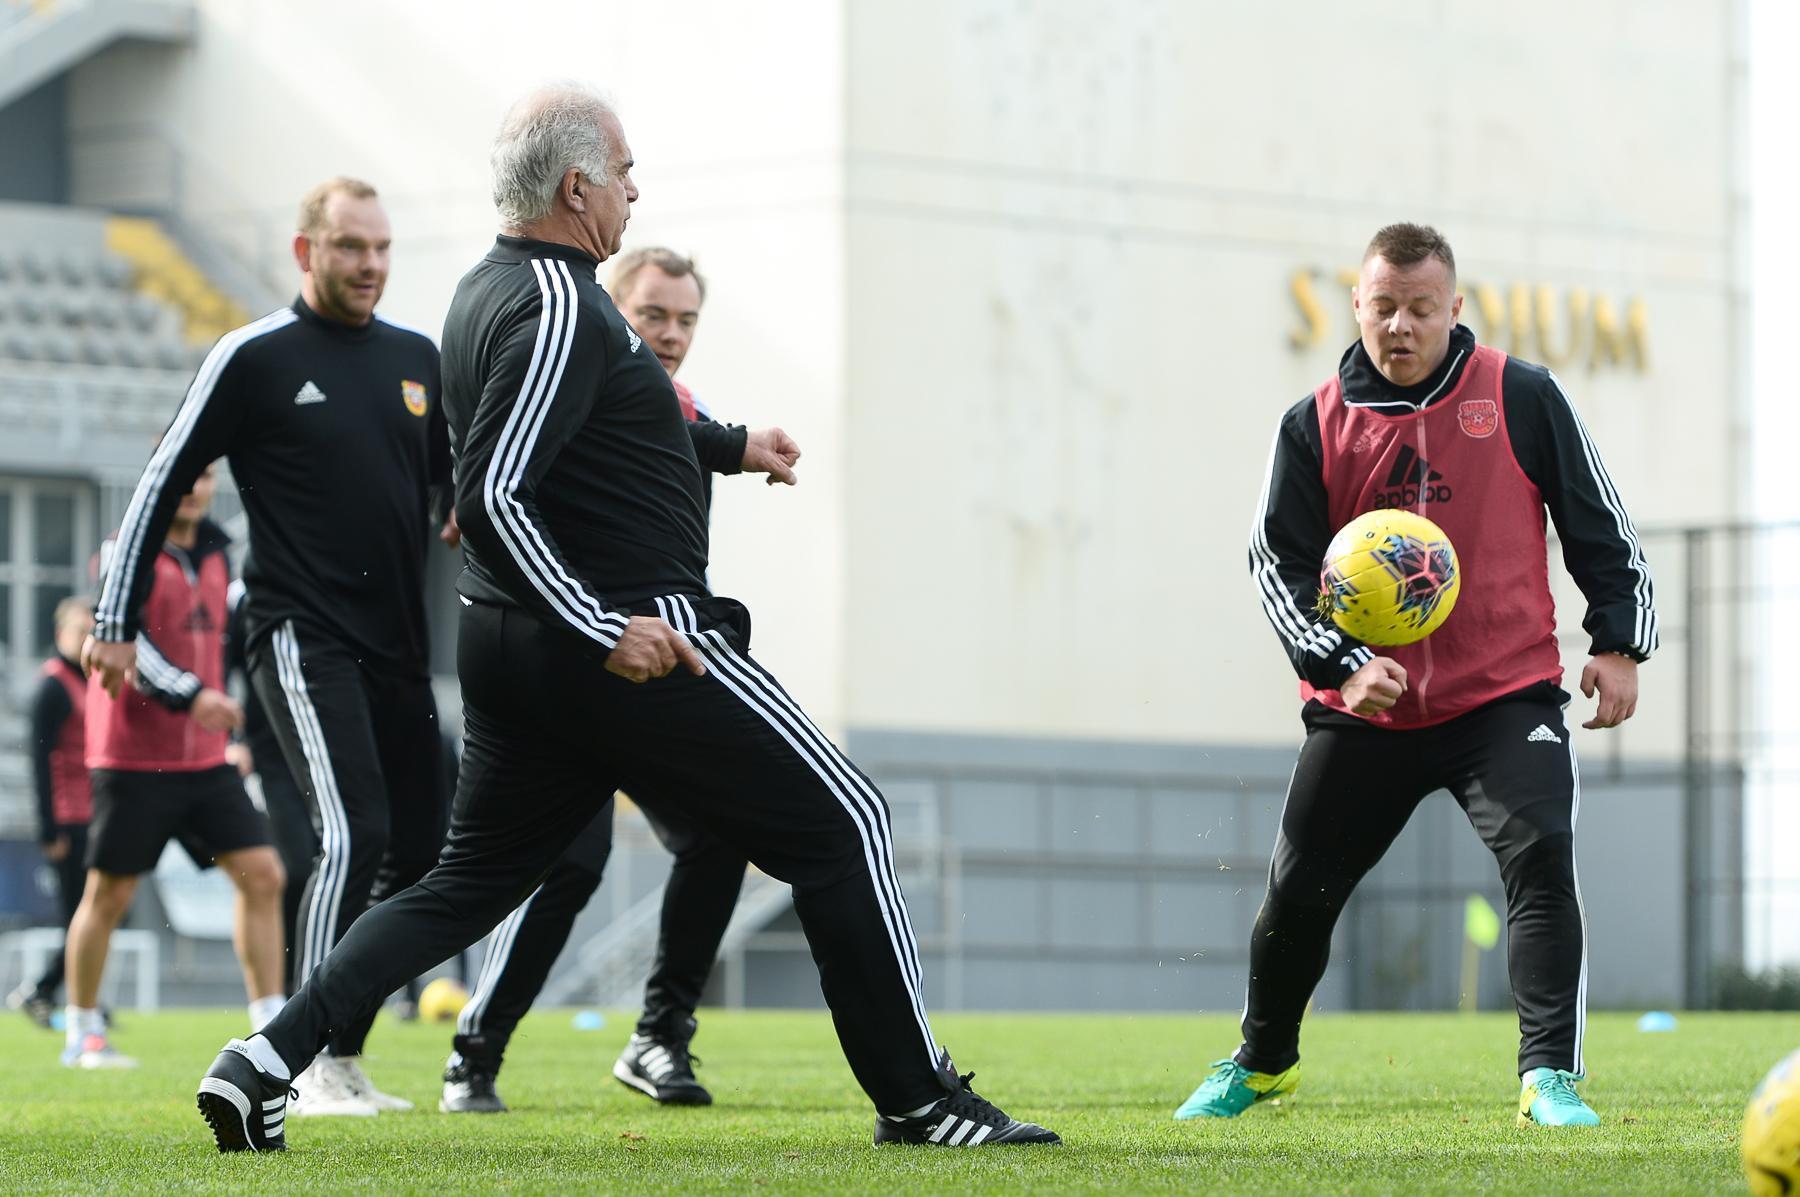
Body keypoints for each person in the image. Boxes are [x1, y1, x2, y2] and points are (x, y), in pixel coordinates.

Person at [195, 82, 1058, 1154]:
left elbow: (597, 433)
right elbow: (494, 495)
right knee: (851, 823)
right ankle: (920, 1101)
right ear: (576, 187)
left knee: (464, 885)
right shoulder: (561, 302)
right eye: (625, 172)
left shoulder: (484, 289)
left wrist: (731, 446)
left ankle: (265, 1057)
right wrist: (604, 625)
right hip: (624, 640)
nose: (635, 191)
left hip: (515, 643)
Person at [1177, 222, 1657, 1128]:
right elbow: (1277, 566)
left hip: (1503, 696)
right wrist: (1344, 664)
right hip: (1367, 708)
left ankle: (1548, 1075)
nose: (1401, 325)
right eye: (1384, 306)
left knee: (1541, 856)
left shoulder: (1521, 394)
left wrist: (1619, 642)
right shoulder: (1313, 424)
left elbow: (1600, 523)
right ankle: (1263, 1060)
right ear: (1357, 305)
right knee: (1298, 891)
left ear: (1455, 307)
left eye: (1421, 308)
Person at [88, 177, 455, 1114]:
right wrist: (114, 621)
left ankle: (346, 1052)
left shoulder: (417, 359)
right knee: (353, 833)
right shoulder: (252, 355)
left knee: (421, 847)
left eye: (381, 247)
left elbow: (454, 487)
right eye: (350, 247)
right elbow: (161, 478)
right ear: (306, 251)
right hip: (300, 632)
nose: (369, 264)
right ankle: (302, 1059)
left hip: (400, 649)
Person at [442, 247, 757, 1115]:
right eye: (653, 314)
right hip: (571, 668)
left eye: (686, 319)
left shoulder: (685, 411)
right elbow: (494, 468)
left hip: (654, 669)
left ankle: (660, 1035)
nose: (671, 334)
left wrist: (736, 445)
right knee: (565, 864)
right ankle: (474, 1052)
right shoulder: (569, 383)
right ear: (612, 311)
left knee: (720, 830)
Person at [66, 467, 286, 1069]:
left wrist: (237, 726)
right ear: (156, 478)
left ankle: (270, 1028)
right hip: (132, 757)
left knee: (263, 874)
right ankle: (83, 1031)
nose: (193, 486)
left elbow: (231, 644)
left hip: (206, 759)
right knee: (109, 892)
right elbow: (123, 638)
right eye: (182, 474)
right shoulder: (126, 549)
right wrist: (193, 696)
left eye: (204, 474)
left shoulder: (219, 552)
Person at [6, 597, 96, 1028]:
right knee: (83, 913)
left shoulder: (88, 680)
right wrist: (49, 827)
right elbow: (40, 762)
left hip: (92, 814)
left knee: (93, 912)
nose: (86, 639)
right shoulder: (53, 687)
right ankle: (46, 990)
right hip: (68, 817)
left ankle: (67, 993)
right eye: (80, 631)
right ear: (61, 634)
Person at [225, 579, 316, 995]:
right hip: (270, 754)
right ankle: (284, 989)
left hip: (325, 749)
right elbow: (222, 668)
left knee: (328, 866)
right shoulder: (245, 598)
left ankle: (310, 984)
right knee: (292, 868)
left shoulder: (330, 584)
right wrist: (232, 740)